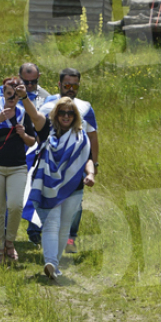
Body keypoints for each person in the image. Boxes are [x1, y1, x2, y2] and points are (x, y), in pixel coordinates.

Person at [30, 97, 96, 281]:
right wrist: (24, 97)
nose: (66, 116)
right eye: (62, 112)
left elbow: (88, 159)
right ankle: (50, 262)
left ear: (75, 116)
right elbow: (34, 116)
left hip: (73, 188)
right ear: (56, 114)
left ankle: (54, 266)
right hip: (46, 186)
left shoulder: (81, 138)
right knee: (52, 224)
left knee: (64, 227)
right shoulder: (46, 131)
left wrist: (90, 174)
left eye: (70, 113)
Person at [0, 77, 45, 262]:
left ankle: (10, 242)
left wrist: (24, 134)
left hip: (17, 167)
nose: (11, 97)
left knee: (16, 205)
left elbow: (33, 141)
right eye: (8, 93)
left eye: (15, 94)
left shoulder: (24, 114)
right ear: (3, 93)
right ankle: (0, 248)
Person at [38, 68, 98, 254]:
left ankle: (70, 238)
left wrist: (93, 166)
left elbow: (93, 137)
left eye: (75, 85)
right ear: (59, 84)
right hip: (51, 163)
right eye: (67, 85)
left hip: (77, 162)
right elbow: (38, 133)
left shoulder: (85, 107)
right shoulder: (47, 103)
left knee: (75, 203)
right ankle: (44, 234)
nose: (71, 89)